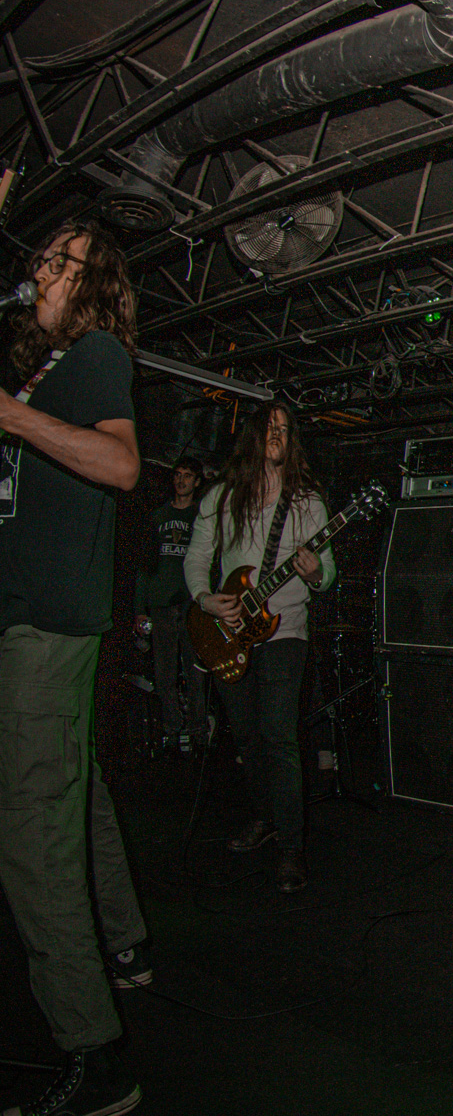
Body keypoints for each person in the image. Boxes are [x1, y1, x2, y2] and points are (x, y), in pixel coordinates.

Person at [0, 219, 148, 1116]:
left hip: (47, 628)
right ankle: (126, 944)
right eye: (42, 254)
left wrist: (12, 416)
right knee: (73, 791)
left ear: (95, 283)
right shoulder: (44, 370)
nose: (43, 266)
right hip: (27, 620)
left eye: (64, 258)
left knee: (31, 838)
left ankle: (96, 1057)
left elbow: (122, 467)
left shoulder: (95, 355)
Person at [184, 403, 334, 894]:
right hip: (230, 630)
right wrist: (205, 599)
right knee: (247, 737)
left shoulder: (306, 501)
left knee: (278, 736)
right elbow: (197, 555)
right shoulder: (221, 496)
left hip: (285, 630)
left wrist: (316, 572)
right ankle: (265, 816)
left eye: (285, 430)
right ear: (251, 434)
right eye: (270, 427)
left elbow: (327, 573)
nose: (278, 435)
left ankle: (292, 847)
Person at [134, 456, 207, 752]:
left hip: (191, 605)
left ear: (197, 481)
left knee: (196, 672)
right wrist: (139, 610)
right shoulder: (158, 516)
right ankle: (173, 730)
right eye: (178, 474)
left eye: (187, 475)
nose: (181, 480)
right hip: (161, 604)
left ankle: (199, 732)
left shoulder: (201, 517)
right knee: (164, 674)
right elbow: (144, 566)